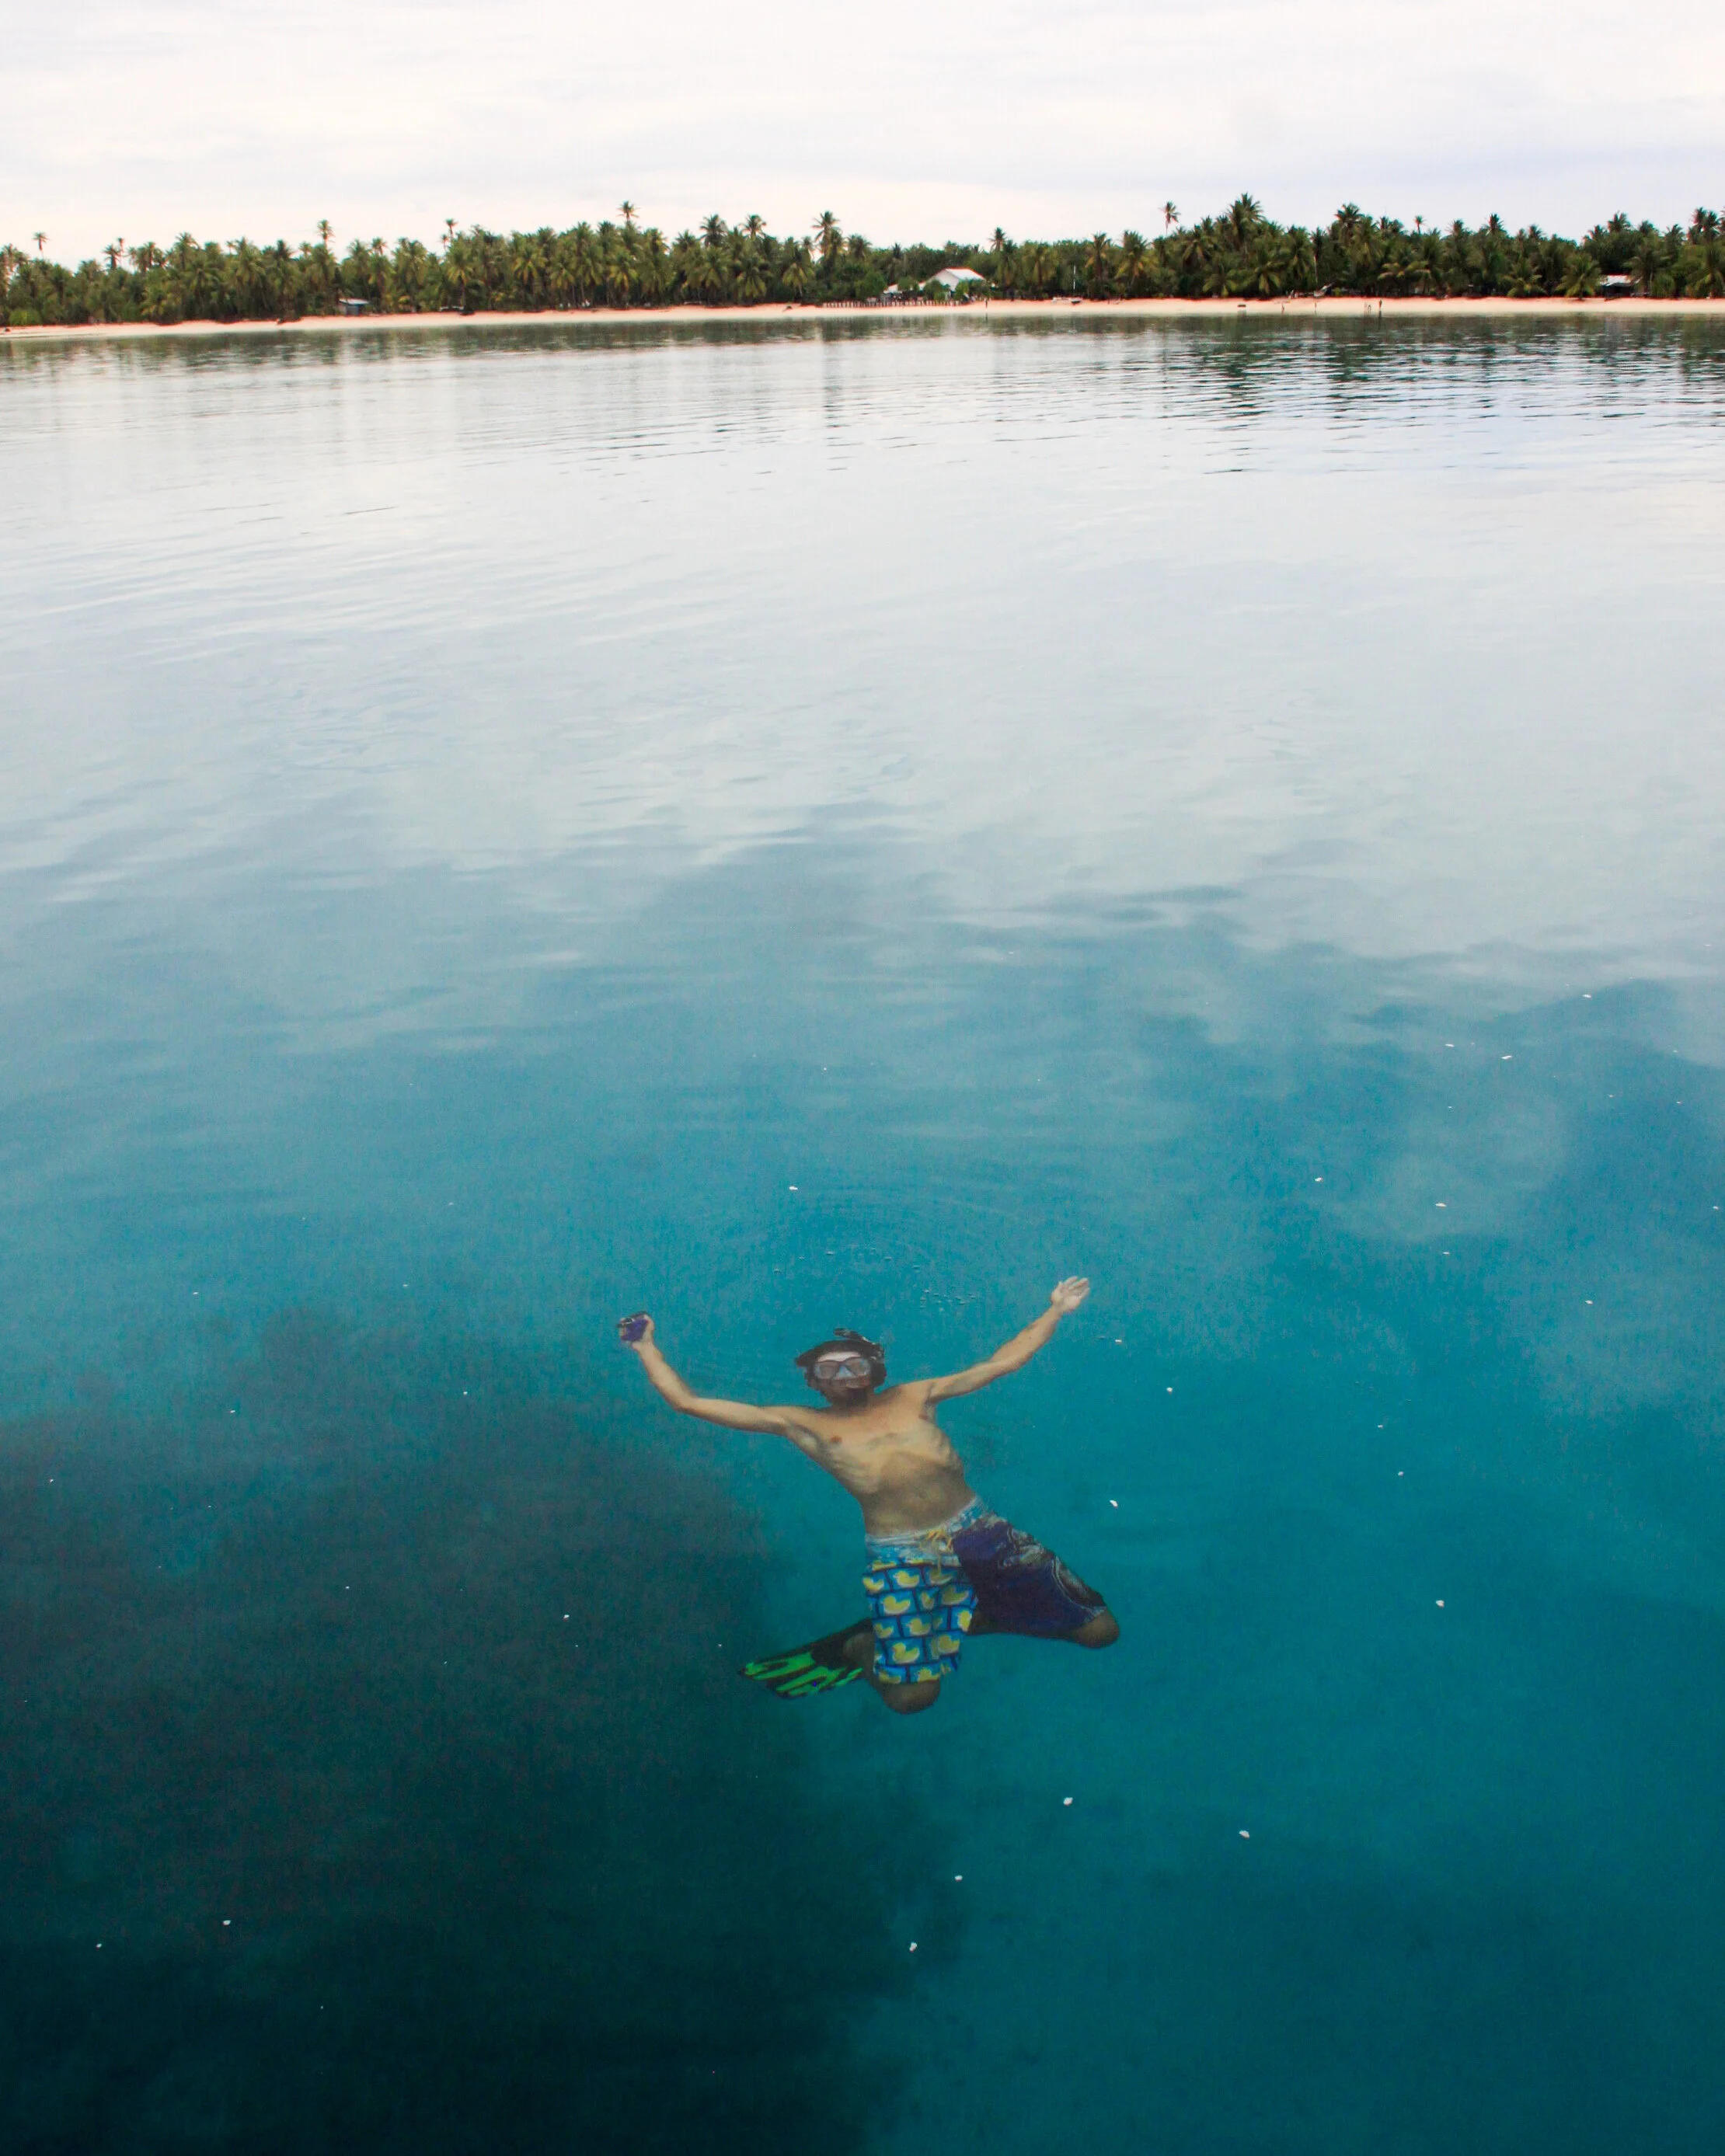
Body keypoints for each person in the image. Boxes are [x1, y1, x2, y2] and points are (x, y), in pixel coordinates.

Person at [619, 1280, 1117, 1714]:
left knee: (1100, 1632)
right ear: (812, 1383)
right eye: (830, 1371)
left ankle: (978, 1612)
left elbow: (1002, 1362)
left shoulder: (916, 1395)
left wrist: (1054, 1310)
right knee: (912, 1700)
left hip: (980, 1530)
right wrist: (647, 1348)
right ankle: (863, 1646)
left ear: (875, 1371)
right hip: (903, 1553)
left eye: (854, 1365)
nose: (845, 1377)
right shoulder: (800, 1422)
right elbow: (688, 1402)